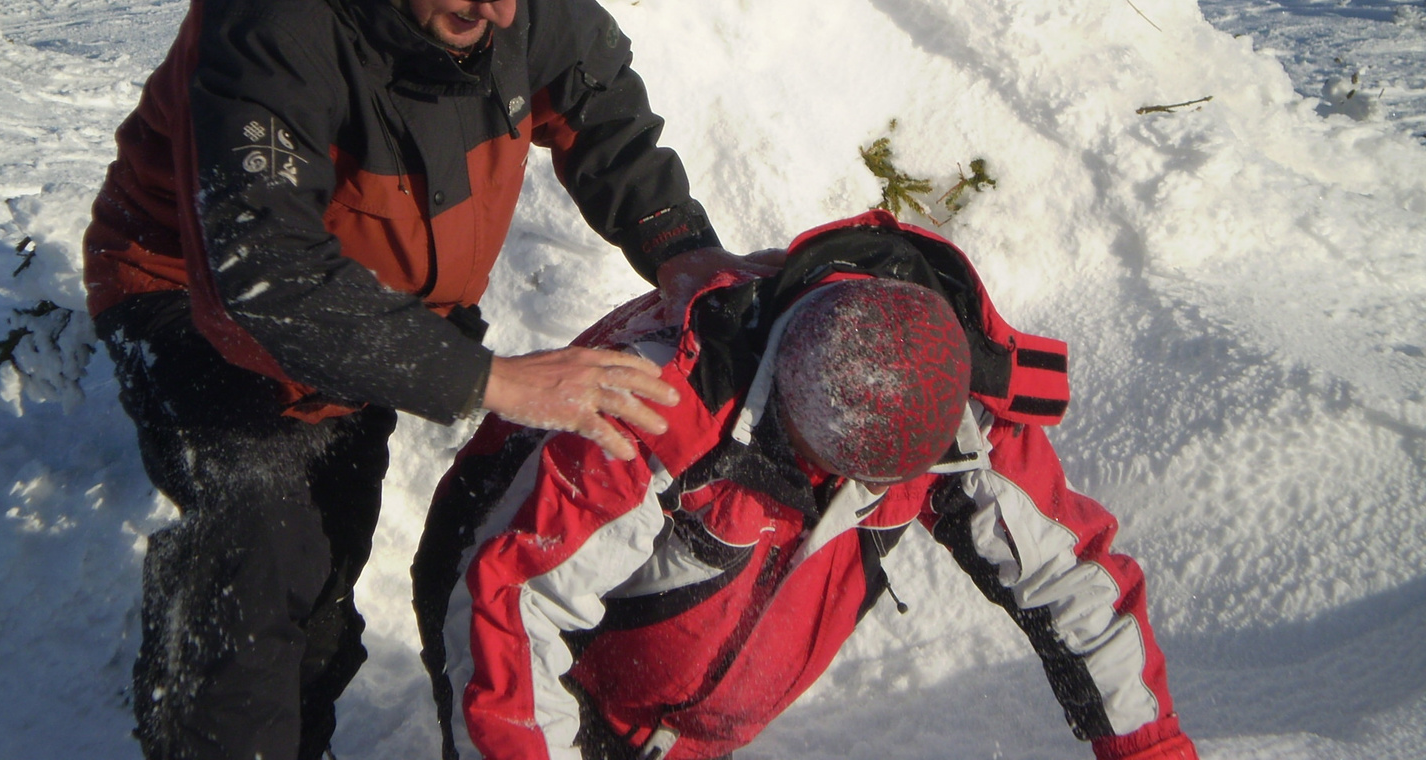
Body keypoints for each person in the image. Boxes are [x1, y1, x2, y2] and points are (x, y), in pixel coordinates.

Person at [83, 0, 754, 760]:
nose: (504, 13)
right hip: (193, 299)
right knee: (266, 568)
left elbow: (599, 105)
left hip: (373, 306)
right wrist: (494, 381)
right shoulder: (272, 22)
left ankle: (227, 658)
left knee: (319, 580)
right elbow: (259, 276)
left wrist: (679, 245)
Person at [414, 210, 1199, 760]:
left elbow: (1070, 581)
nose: (849, 501)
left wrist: (1149, 748)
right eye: (832, 474)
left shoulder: (947, 393)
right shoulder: (659, 396)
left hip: (686, 727)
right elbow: (505, 602)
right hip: (548, 677)